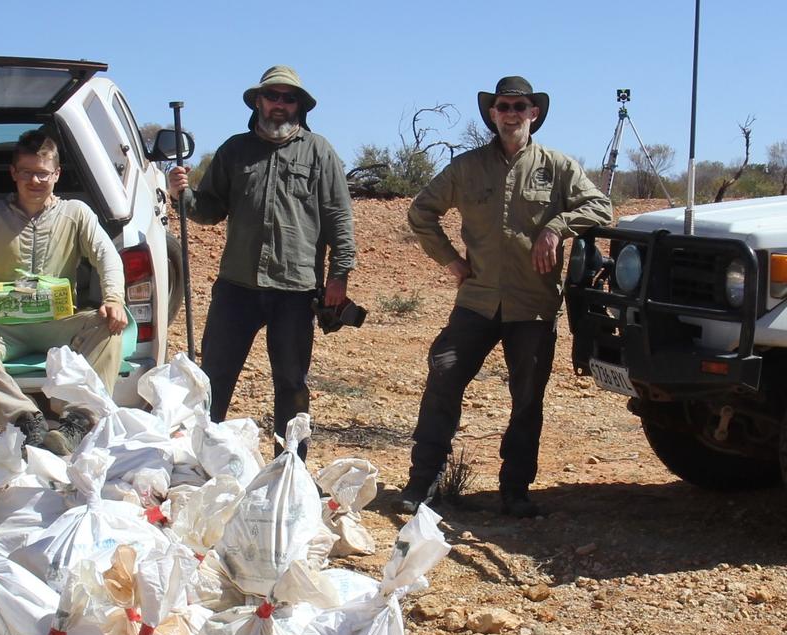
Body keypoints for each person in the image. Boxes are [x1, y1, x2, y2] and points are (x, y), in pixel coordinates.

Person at [396, 76, 613, 518]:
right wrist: (451, 262)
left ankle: (515, 490)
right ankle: (422, 484)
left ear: (534, 113)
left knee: (527, 396)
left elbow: (600, 207)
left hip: (533, 305)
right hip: (477, 301)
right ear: (492, 114)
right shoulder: (467, 167)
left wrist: (556, 228)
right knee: (444, 371)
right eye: (503, 106)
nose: (511, 113)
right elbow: (421, 211)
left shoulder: (558, 167)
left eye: (520, 106)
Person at [167, 65, 356, 459]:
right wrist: (182, 195)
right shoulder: (234, 150)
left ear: (299, 106)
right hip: (237, 286)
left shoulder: (319, 151)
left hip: (295, 288)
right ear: (258, 101)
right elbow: (209, 210)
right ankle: (200, 458)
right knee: (213, 378)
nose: (281, 105)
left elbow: (339, 216)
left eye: (289, 99)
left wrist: (339, 275)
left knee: (291, 382)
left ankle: (289, 467)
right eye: (273, 97)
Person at [0, 129, 127, 454]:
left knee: (110, 328)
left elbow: (106, 255)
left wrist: (113, 298)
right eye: (26, 172)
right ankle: (25, 420)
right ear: (13, 173)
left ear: (56, 174)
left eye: (43, 173)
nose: (35, 181)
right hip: (5, 329)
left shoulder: (75, 213)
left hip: (60, 324)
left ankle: (77, 422)